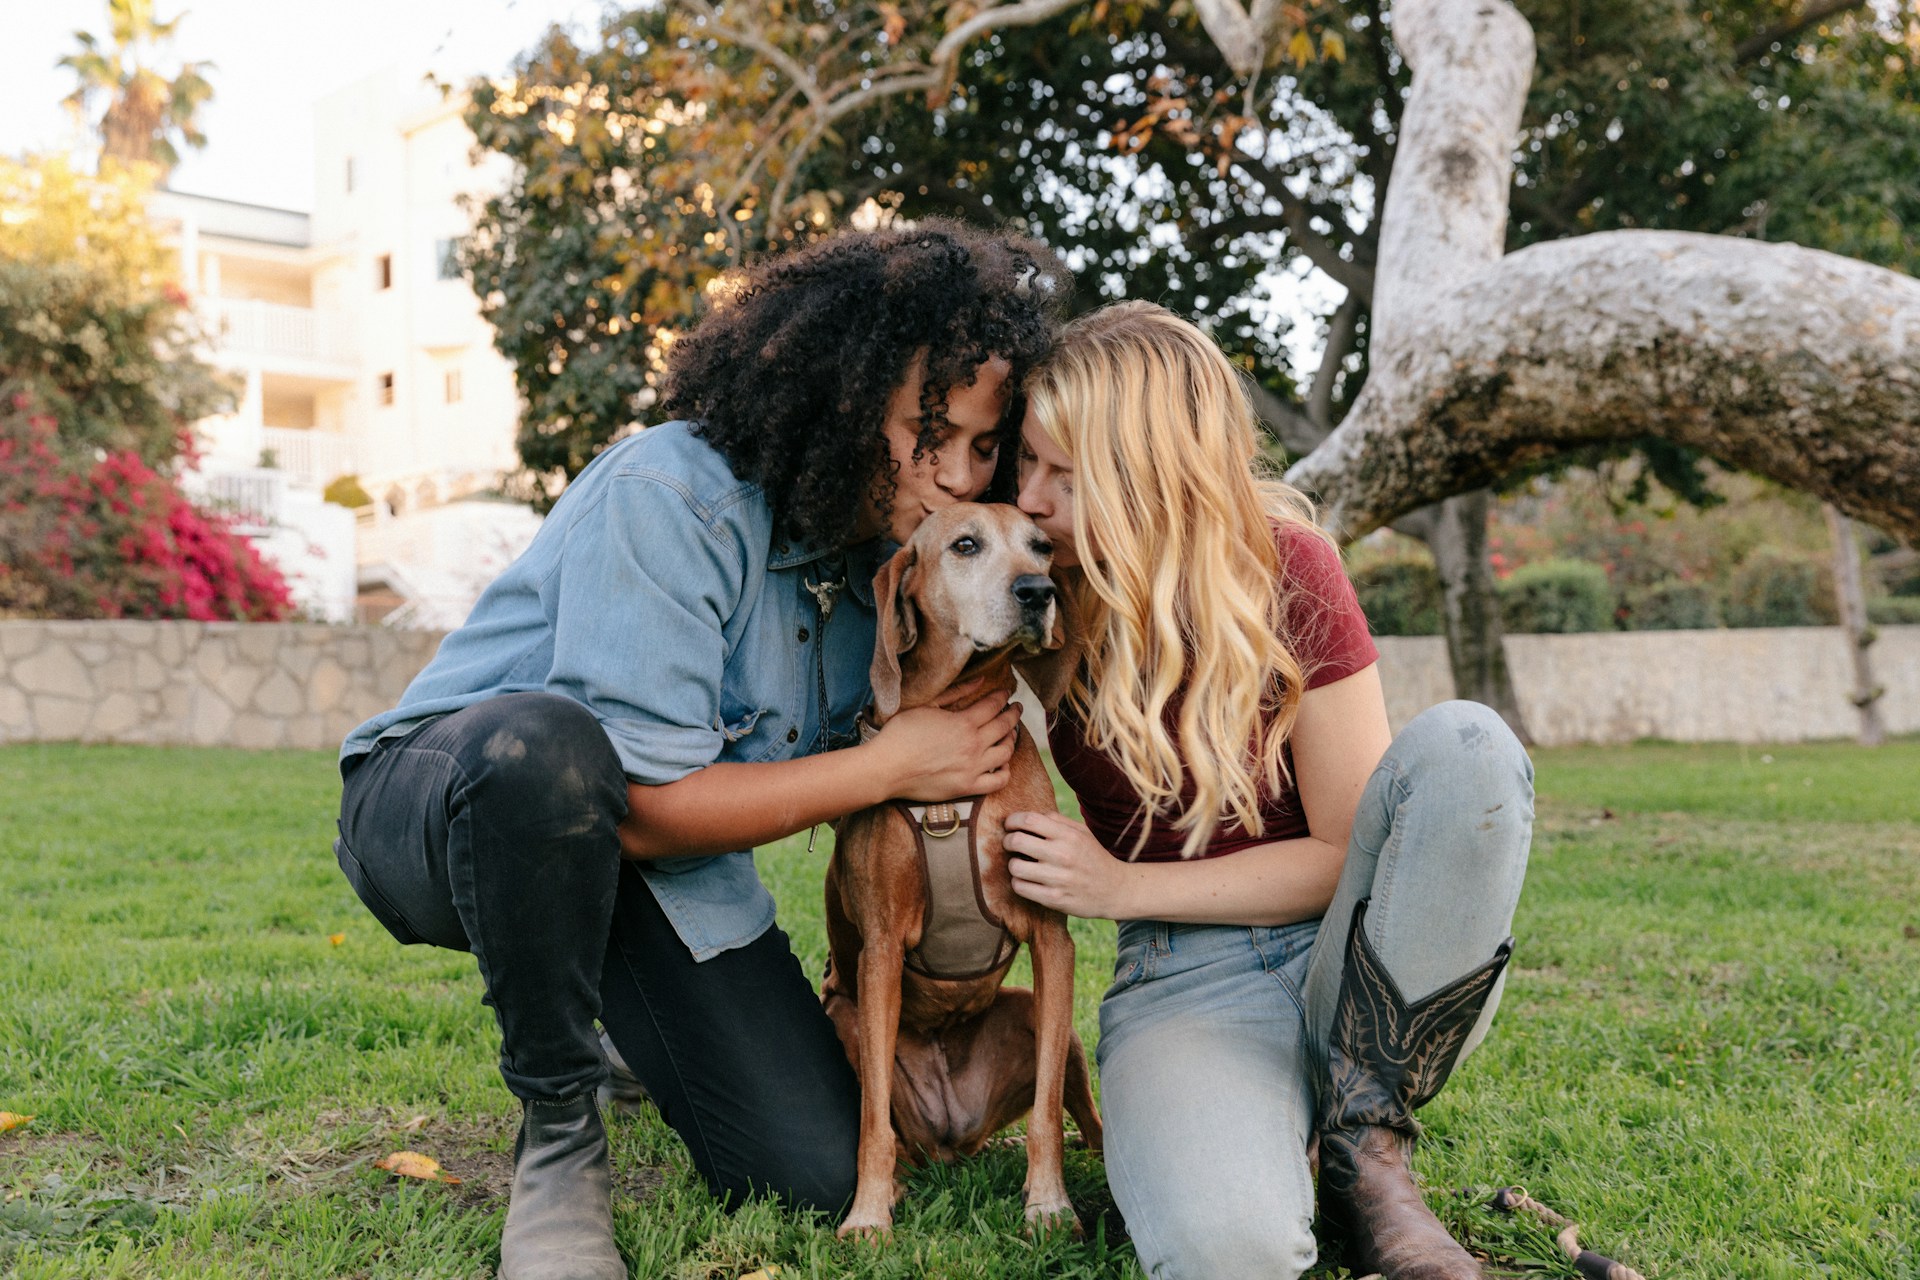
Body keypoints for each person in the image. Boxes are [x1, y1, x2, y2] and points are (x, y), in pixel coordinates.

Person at [332, 221, 1064, 1279]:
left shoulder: (908, 569)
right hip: (455, 804)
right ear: (843, 397)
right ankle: (558, 1130)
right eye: (925, 433)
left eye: (983, 445)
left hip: (655, 873)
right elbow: (634, 802)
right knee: (551, 753)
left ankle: (638, 1018)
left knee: (809, 1169)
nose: (954, 477)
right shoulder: (672, 495)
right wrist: (894, 764)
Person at [1001, 301, 1532, 1280]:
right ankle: (1275, 1136)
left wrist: (1119, 884)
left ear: (1146, 476)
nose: (1029, 497)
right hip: (1185, 979)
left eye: (1062, 475)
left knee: (1469, 747)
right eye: (1026, 462)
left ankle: (1365, 1151)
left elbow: (1342, 852)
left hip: (1365, 963)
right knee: (1226, 1249)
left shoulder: (1289, 570)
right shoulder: (1042, 599)